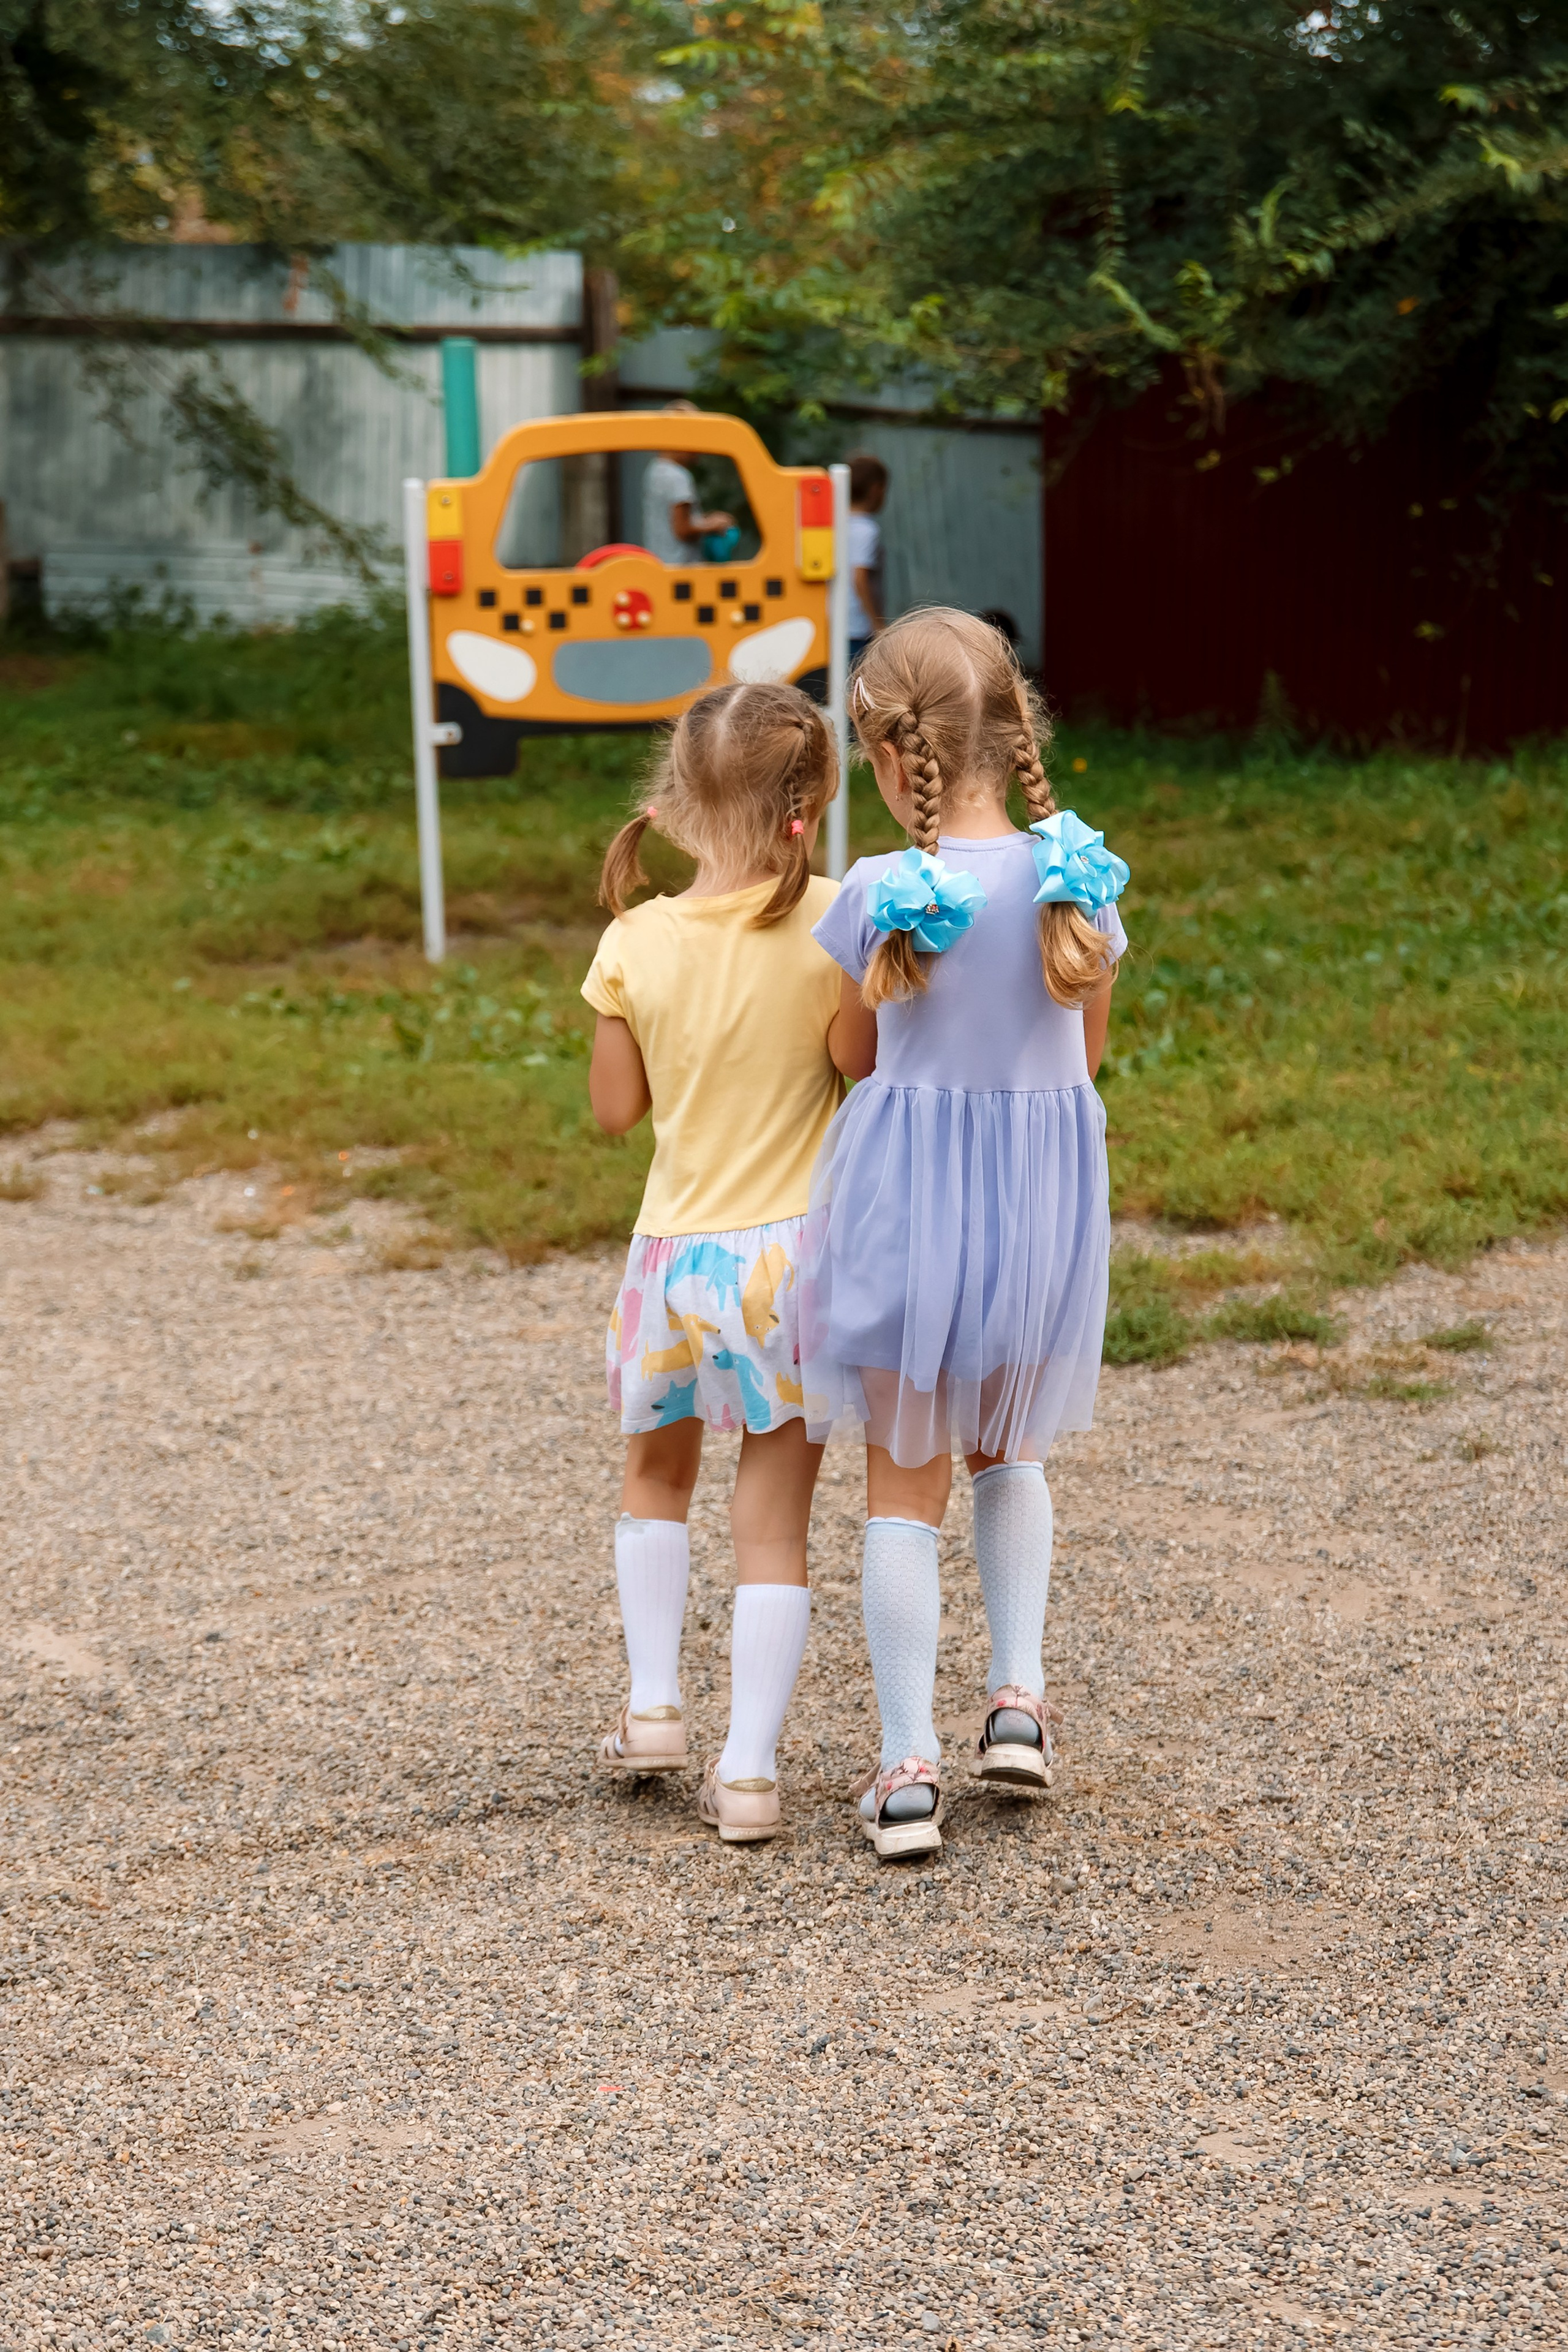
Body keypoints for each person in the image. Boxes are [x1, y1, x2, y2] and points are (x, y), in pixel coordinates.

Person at [799, 608, 1130, 1861]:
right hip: (1037, 1211)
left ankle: (904, 1775)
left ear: (893, 757)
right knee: (1011, 1452)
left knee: (902, 1483)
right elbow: (1083, 1060)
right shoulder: (1077, 878)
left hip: (908, 1208)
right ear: (1017, 728)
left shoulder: (881, 893)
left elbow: (850, 1052)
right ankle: (1018, 1704)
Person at [583, 681, 856, 1845]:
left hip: (670, 1258)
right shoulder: (837, 922)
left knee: (656, 1478)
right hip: (789, 1260)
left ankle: (653, 1708)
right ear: (811, 803)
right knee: (773, 1520)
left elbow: (614, 1111)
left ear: (676, 803)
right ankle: (748, 1774)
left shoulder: (634, 940)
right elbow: (861, 1063)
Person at [641, 399, 737, 566]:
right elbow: (683, 529)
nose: (699, 449)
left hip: (661, 563)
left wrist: (704, 519)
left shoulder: (655, 470)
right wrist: (714, 524)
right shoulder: (679, 477)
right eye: (695, 439)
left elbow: (672, 519)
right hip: (682, 568)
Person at [845, 451, 888, 660]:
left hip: (837, 624)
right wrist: (877, 624)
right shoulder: (866, 530)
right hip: (859, 629)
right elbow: (859, 577)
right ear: (875, 490)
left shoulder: (836, 524)